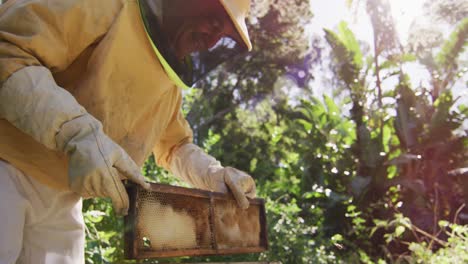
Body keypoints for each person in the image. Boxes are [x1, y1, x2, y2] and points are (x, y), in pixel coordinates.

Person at [0, 0, 255, 263]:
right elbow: (8, 52)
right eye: (214, 22)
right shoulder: (105, 5)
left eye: (222, 34)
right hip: (6, 166)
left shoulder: (168, 84)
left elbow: (175, 145)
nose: (212, 42)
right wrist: (74, 132)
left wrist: (212, 174)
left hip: (64, 199)